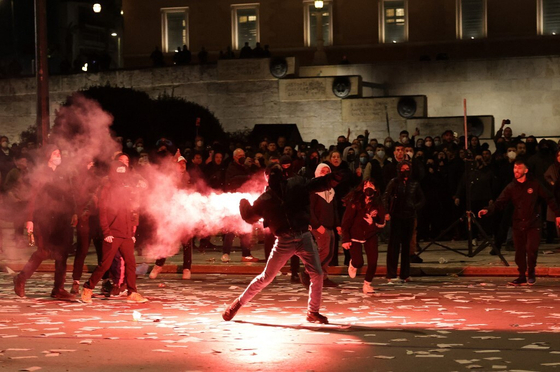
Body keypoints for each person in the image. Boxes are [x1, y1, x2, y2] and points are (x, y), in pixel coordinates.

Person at [222, 163, 341, 324]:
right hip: (289, 240)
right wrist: (332, 179)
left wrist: (244, 205)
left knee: (314, 274)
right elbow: (317, 183)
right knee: (270, 277)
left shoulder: (289, 187)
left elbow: (316, 184)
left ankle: (313, 312)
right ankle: (237, 304)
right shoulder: (271, 196)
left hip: (301, 237)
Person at [479, 160, 560, 286]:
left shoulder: (535, 184)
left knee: (531, 249)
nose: (516, 171)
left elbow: (549, 198)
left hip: (533, 222)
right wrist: (487, 210)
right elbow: (500, 202)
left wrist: (558, 214)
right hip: (518, 222)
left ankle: (531, 273)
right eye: (514, 168)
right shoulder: (511, 186)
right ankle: (521, 275)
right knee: (519, 251)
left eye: (519, 168)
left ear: (525, 170)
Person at [13, 145, 77, 300]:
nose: (58, 155)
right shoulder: (41, 174)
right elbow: (33, 198)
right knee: (43, 252)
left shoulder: (63, 174)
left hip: (62, 218)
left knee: (62, 254)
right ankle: (21, 279)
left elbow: (69, 194)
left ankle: (58, 289)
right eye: (55, 153)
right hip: (45, 218)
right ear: (48, 156)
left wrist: (74, 212)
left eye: (59, 153)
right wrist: (30, 219)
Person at [81, 160, 148, 303]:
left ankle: (132, 292)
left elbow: (130, 212)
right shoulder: (107, 188)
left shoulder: (126, 189)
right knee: (105, 264)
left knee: (131, 264)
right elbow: (103, 211)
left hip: (125, 234)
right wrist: (106, 232)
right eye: (119, 172)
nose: (122, 176)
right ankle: (87, 288)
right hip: (113, 234)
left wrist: (131, 233)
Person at [341, 179, 389, 294]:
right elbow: (346, 221)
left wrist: (373, 222)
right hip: (355, 234)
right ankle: (354, 264)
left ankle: (367, 284)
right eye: (366, 185)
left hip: (370, 234)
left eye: (371, 185)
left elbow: (382, 222)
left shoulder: (378, 203)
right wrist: (345, 239)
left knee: (373, 261)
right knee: (359, 262)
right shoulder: (355, 202)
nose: (368, 187)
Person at [383, 160, 425, 284]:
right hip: (396, 216)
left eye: (407, 169)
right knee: (393, 247)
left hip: (409, 216)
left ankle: (405, 274)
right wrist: (386, 212)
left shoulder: (414, 184)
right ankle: (391, 274)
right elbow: (385, 196)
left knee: (407, 247)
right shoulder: (394, 182)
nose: (405, 171)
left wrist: (414, 207)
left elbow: (422, 199)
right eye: (403, 169)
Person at [307, 164, 341, 288]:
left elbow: (334, 208)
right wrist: (316, 225)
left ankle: (323, 277)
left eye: (328, 172)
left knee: (330, 252)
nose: (325, 174)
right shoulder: (313, 189)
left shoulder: (331, 190)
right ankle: (309, 274)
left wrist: (337, 224)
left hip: (329, 225)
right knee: (324, 251)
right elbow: (309, 209)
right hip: (319, 226)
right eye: (323, 171)